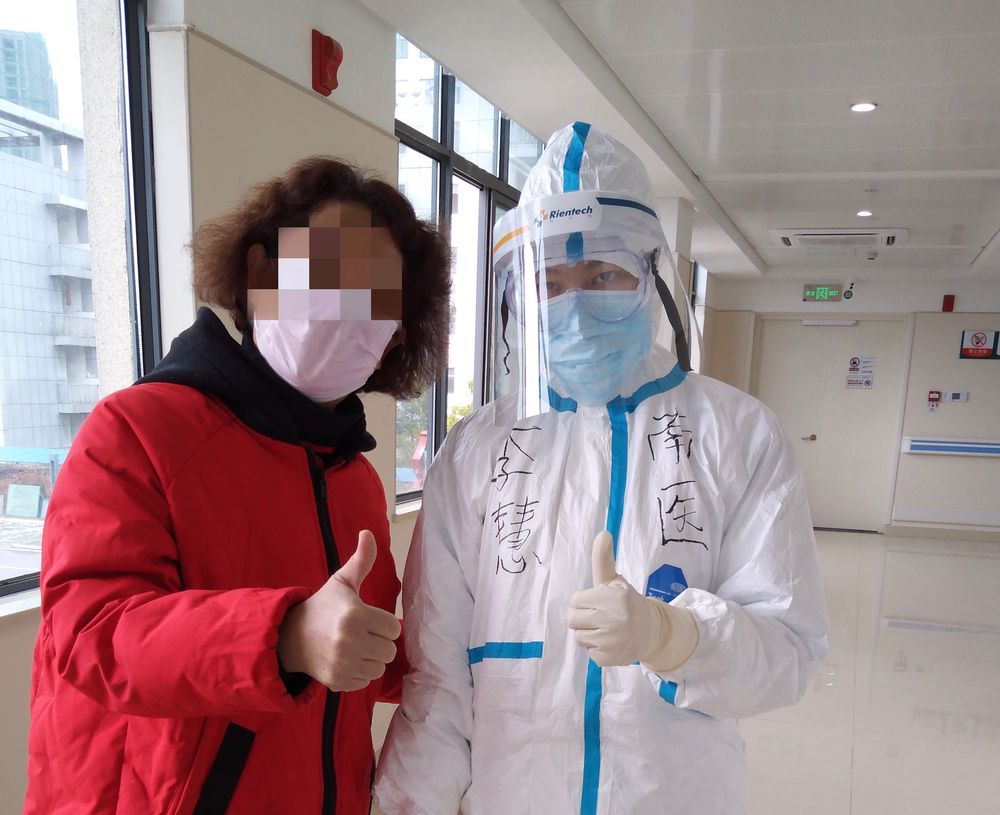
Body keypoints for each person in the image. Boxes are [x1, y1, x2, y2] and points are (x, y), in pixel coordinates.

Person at [374, 123, 830, 814]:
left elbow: (788, 651)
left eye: (604, 275)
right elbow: (437, 680)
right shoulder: (475, 452)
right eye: (550, 283)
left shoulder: (737, 435)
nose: (576, 304)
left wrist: (673, 637)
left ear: (649, 277)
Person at [25, 156, 451, 815]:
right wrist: (283, 637)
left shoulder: (357, 480)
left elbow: (355, 645)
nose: (347, 305)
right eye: (325, 271)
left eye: (376, 296)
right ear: (260, 273)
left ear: (396, 337)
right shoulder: (138, 431)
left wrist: (470, 655)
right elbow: (90, 636)